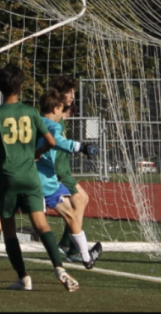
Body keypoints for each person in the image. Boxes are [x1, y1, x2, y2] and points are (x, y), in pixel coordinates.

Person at [0, 65, 79, 292]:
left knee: (9, 229)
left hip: (7, 179)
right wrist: (36, 154)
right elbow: (51, 142)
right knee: (42, 225)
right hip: (31, 179)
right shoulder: (32, 112)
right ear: (21, 87)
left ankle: (24, 278)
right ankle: (59, 268)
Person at [36, 88, 100, 269]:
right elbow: (56, 141)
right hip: (45, 180)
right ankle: (71, 257)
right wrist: (81, 147)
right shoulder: (54, 125)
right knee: (47, 222)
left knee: (73, 209)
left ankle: (85, 257)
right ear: (56, 109)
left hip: (28, 176)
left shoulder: (31, 120)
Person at [49, 75, 93, 261]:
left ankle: (67, 244)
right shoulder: (54, 119)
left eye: (73, 91)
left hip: (61, 170)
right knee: (80, 201)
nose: (72, 95)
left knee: (82, 199)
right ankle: (74, 249)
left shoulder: (61, 118)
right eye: (69, 91)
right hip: (56, 171)